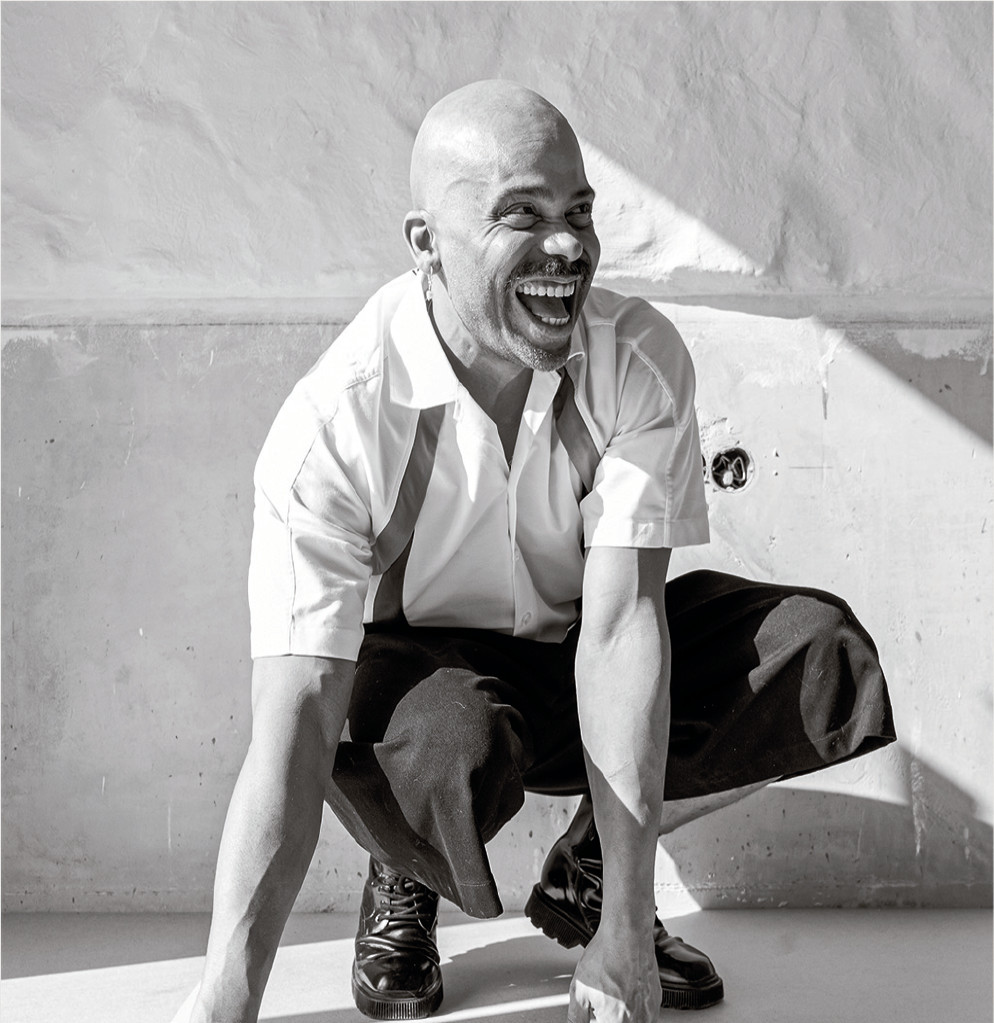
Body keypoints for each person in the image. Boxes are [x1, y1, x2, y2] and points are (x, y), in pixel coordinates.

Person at [188, 80, 895, 1023]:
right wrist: (222, 1001)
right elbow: (298, 722)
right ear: (427, 244)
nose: (567, 246)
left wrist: (626, 935)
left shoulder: (636, 360)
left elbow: (622, 625)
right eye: (521, 214)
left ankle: (597, 875)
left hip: (575, 654)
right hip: (425, 693)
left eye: (578, 212)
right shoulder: (339, 424)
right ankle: (405, 874)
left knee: (817, 654)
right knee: (451, 741)